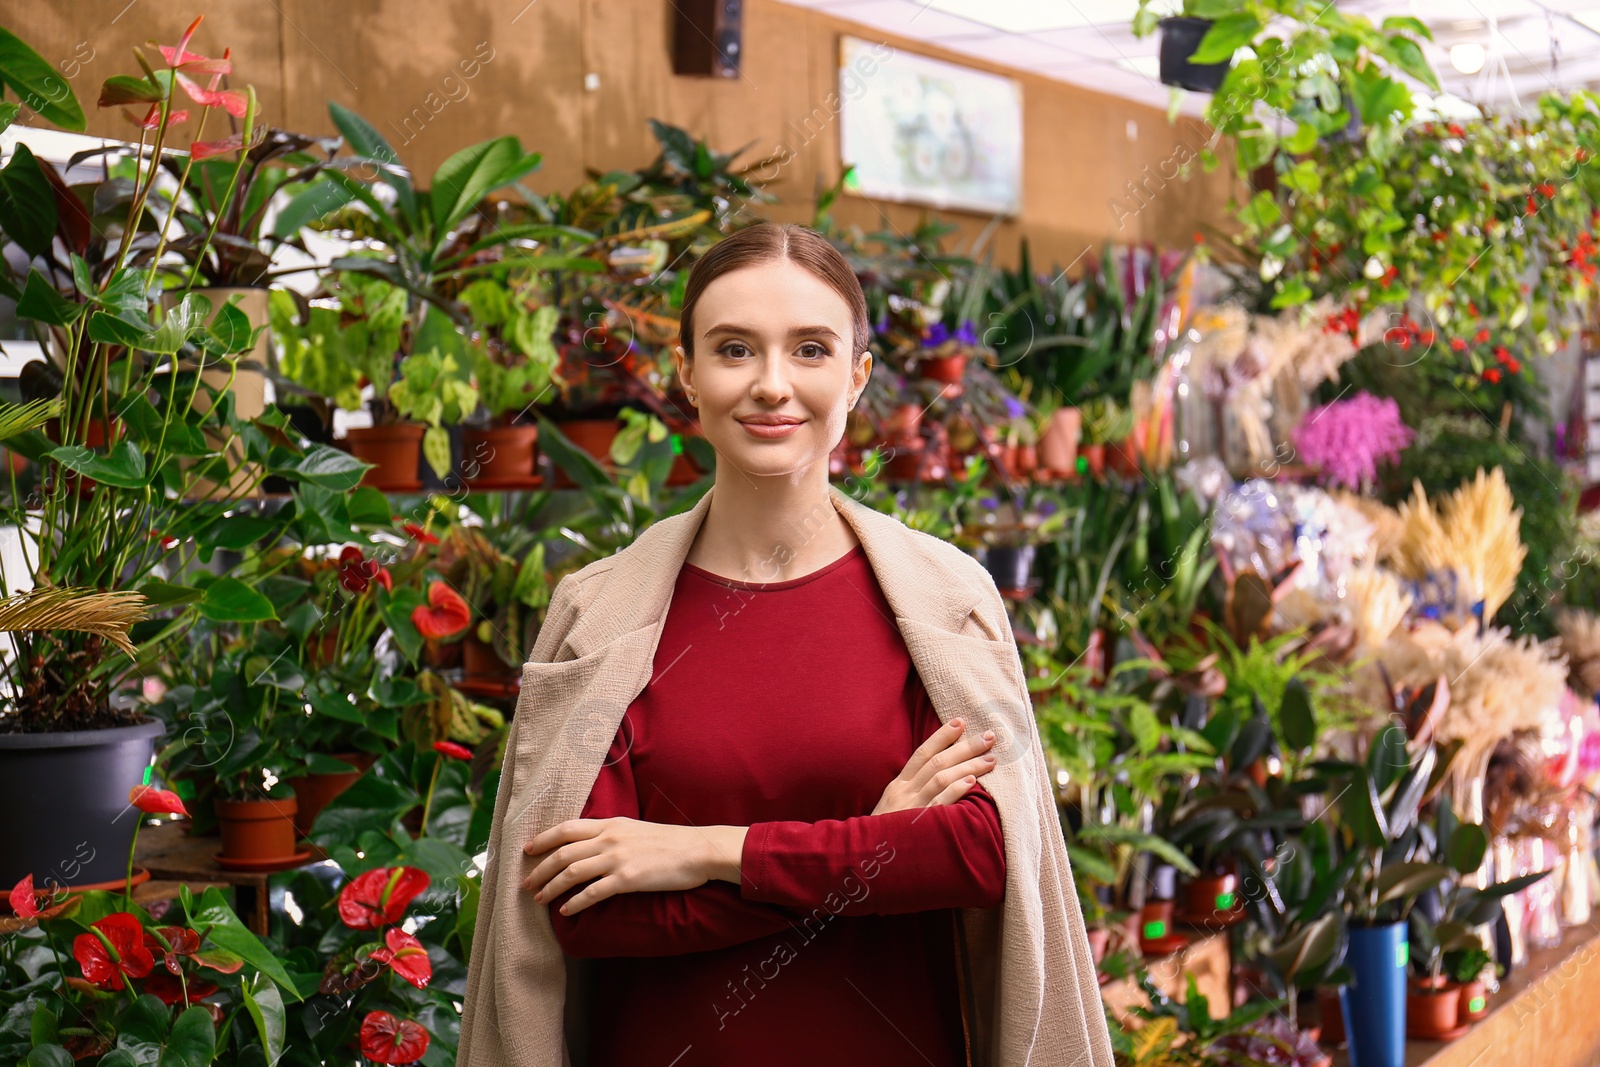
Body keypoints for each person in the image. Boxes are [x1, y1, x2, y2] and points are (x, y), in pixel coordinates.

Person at [457, 222, 1113, 1067]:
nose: (773, 385)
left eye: (810, 349)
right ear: (687, 375)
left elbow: (978, 852)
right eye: (735, 350)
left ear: (857, 375)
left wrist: (700, 850)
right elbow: (588, 911)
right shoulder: (602, 612)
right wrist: (871, 845)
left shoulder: (941, 601)